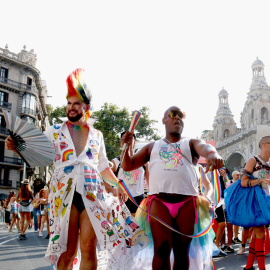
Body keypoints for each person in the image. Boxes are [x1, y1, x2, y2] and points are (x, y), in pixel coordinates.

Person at [6, 68, 149, 270]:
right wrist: (17, 147)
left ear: (86, 107)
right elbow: (35, 153)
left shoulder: (97, 135)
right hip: (64, 195)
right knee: (67, 250)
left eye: (76, 104)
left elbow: (103, 168)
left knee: (89, 247)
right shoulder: (54, 131)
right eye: (68, 103)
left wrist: (117, 187)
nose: (71, 108)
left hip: (93, 195)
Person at [121, 106, 224, 270]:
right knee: (161, 249)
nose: (177, 118)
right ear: (164, 120)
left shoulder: (190, 143)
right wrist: (125, 147)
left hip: (187, 202)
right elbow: (128, 165)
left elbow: (205, 147)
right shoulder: (151, 146)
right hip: (159, 202)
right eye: (172, 115)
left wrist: (212, 154)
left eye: (180, 116)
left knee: (182, 251)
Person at [240, 136, 270, 270]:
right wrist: (259, 181)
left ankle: (248, 267)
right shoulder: (253, 160)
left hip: (265, 203)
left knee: (256, 236)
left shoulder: (268, 164)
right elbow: (243, 182)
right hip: (256, 204)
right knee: (261, 235)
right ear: (264, 145)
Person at [111, 131, 149, 216]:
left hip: (138, 200)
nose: (127, 141)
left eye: (130, 139)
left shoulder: (143, 162)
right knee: (122, 227)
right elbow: (105, 180)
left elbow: (150, 183)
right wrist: (114, 190)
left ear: (134, 142)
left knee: (138, 228)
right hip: (121, 200)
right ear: (121, 143)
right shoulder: (115, 162)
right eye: (124, 139)